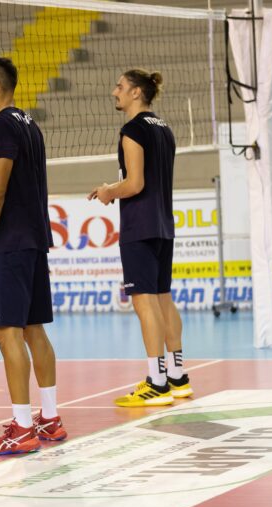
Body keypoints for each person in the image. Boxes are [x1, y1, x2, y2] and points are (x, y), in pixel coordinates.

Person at [0, 57, 67, 456]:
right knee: (33, 329)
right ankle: (49, 418)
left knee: (7, 332)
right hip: (33, 239)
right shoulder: (30, 125)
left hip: (10, 242)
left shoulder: (1, 125)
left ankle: (23, 429)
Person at [89, 69, 193, 407]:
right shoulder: (164, 128)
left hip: (140, 226)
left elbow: (134, 184)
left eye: (120, 86)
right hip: (163, 224)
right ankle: (178, 376)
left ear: (136, 92)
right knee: (163, 298)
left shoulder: (132, 130)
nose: (114, 91)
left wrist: (108, 191)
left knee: (144, 301)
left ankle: (157, 382)